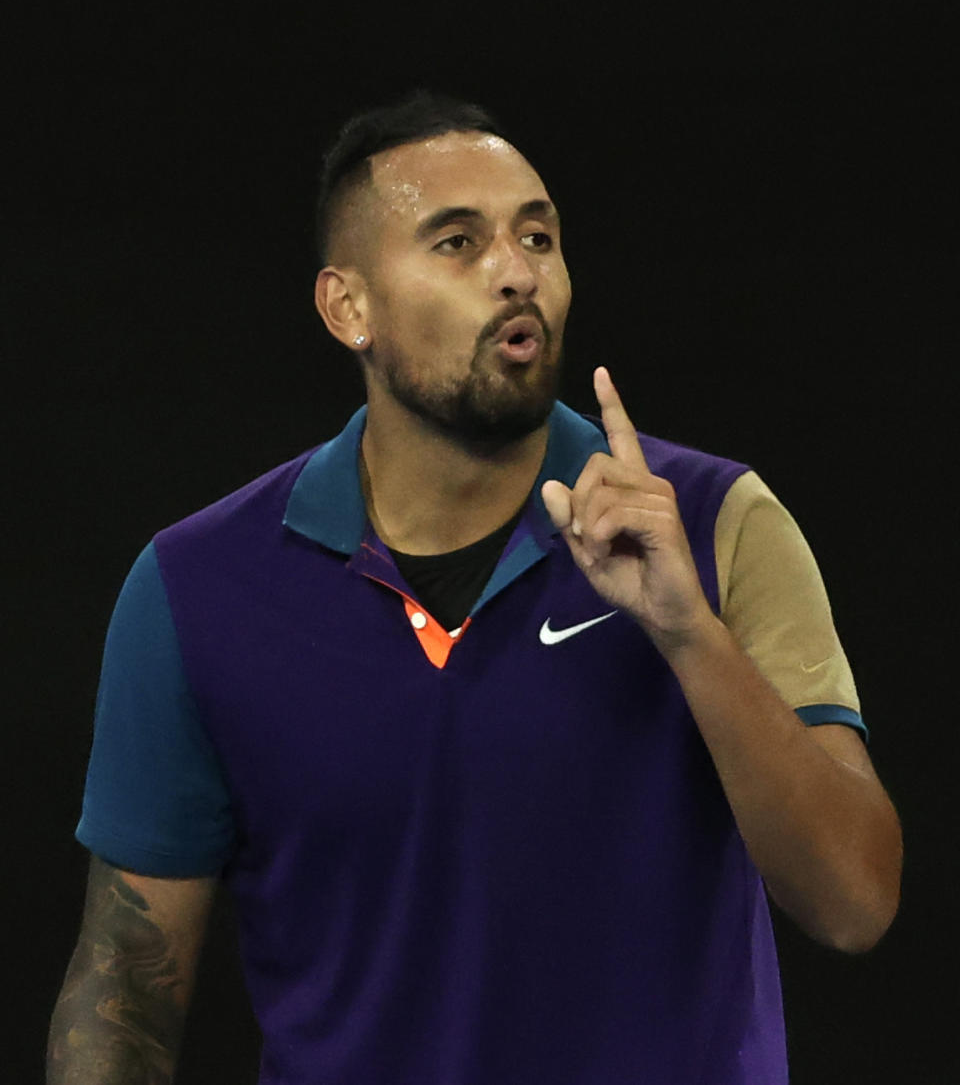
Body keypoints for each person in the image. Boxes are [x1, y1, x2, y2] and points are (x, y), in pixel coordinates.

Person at [47, 90, 902, 1085]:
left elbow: (855, 902)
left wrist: (688, 633)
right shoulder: (194, 589)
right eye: (456, 243)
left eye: (537, 237)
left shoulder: (720, 523)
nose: (515, 271)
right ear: (347, 307)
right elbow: (127, 994)